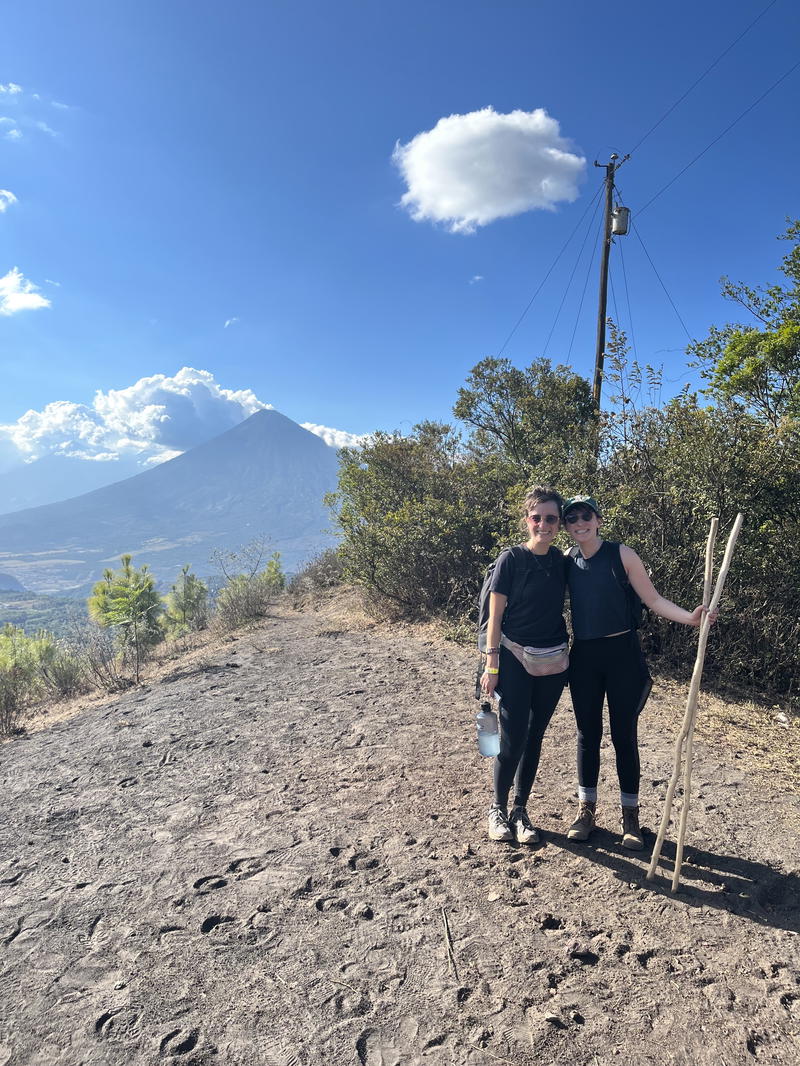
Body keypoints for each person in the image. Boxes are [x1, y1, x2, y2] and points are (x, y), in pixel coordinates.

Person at [562, 495, 716, 850]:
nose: (578, 523)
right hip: (584, 656)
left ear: (598, 519)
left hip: (623, 655)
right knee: (587, 734)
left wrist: (692, 618)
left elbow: (654, 600)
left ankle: (631, 817)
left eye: (585, 515)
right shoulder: (566, 561)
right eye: (571, 518)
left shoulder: (622, 555)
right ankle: (587, 811)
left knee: (623, 734)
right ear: (566, 526)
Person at [480, 486, 569, 845]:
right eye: (538, 518)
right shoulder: (511, 560)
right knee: (513, 737)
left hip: (553, 661)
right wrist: (491, 665)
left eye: (551, 518)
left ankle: (520, 810)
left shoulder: (562, 562)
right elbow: (494, 616)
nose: (543, 524)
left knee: (534, 737)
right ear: (527, 520)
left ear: (559, 524)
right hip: (513, 656)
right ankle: (497, 809)